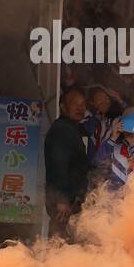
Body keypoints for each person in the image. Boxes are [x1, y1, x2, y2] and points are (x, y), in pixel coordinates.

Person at [44, 88, 90, 241]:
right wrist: (62, 199)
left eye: (83, 104)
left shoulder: (70, 129)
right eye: (74, 103)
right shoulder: (63, 130)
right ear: (63, 107)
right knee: (59, 245)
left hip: (69, 200)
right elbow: (59, 164)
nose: (80, 108)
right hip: (63, 202)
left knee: (62, 245)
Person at [92, 106, 134, 191]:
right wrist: (113, 137)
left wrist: (133, 145)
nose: (130, 134)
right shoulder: (114, 146)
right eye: (127, 132)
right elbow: (98, 163)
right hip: (113, 199)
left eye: (133, 132)